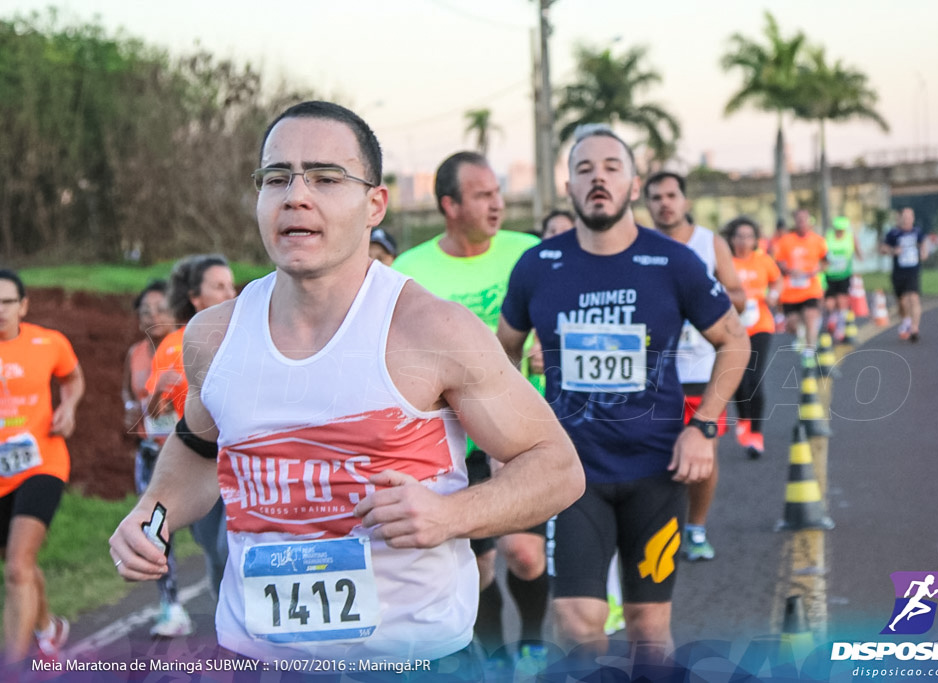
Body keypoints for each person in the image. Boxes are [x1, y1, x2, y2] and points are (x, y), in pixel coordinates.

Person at [109, 101, 583, 671]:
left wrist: (449, 516)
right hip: (259, 654)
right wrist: (152, 513)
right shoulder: (213, 335)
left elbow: (557, 467)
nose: (296, 195)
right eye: (276, 177)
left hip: (411, 659)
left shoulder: (433, 329)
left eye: (327, 178)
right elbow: (197, 447)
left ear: (373, 204)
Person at [497, 124, 749, 656]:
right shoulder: (538, 266)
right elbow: (501, 357)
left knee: (647, 628)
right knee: (576, 622)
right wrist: (508, 441)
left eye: (612, 168)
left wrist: (703, 428)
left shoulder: (674, 262)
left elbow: (735, 340)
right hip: (573, 476)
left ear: (634, 186)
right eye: (584, 169)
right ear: (567, 186)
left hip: (656, 475)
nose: (598, 179)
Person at [392, 151, 548, 665]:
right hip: (450, 442)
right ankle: (498, 659)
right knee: (474, 571)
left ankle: (531, 641)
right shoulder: (411, 271)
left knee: (524, 556)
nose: (497, 204)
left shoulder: (529, 254)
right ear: (450, 205)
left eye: (498, 193)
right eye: (483, 195)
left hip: (519, 431)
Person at [642, 171, 745, 562]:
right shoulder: (638, 244)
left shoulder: (709, 242)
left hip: (701, 369)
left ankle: (695, 527)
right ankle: (654, 531)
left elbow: (740, 296)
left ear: (685, 202)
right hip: (651, 371)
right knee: (652, 456)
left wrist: (699, 296)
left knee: (703, 455)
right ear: (646, 203)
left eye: (671, 195)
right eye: (656, 197)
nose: (664, 203)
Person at [0, 269, 84, 665]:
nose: (0, 311)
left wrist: (68, 406)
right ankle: (49, 630)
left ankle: (11, 668)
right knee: (22, 564)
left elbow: (72, 377)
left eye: (7, 302)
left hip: (42, 463)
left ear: (23, 305)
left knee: (16, 567)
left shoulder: (48, 343)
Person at [146, 255, 236, 600]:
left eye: (231, 284)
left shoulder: (252, 336)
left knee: (230, 547)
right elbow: (156, 416)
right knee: (212, 552)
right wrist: (157, 392)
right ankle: (224, 628)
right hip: (200, 462)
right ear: (196, 298)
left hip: (244, 460)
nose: (230, 292)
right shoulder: (173, 346)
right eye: (219, 286)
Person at [122, 280, 193, 637]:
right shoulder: (135, 353)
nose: (152, 315)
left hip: (192, 454)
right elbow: (128, 403)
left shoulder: (189, 346)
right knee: (156, 532)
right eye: (145, 310)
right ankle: (171, 607)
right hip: (151, 454)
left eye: (160, 307)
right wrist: (134, 413)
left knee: (209, 532)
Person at [722, 216, 782, 458]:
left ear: (755, 239)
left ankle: (756, 434)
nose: (744, 241)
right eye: (739, 236)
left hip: (760, 325)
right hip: (733, 328)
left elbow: (777, 280)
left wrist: (775, 294)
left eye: (749, 236)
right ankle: (744, 418)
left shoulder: (763, 260)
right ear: (732, 238)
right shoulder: (725, 262)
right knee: (737, 379)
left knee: (755, 379)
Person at [773, 209, 829, 359]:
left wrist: (816, 270)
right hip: (790, 290)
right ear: (795, 222)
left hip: (810, 288)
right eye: (799, 220)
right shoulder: (785, 241)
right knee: (792, 325)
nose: (802, 223)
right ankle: (802, 334)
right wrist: (790, 270)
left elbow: (825, 262)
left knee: (810, 315)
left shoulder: (818, 241)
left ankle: (810, 350)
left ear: (809, 221)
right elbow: (778, 262)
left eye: (805, 219)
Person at [880, 207, 929, 342]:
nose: (908, 220)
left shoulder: (917, 232)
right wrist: (892, 250)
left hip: (913, 270)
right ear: (900, 218)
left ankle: (914, 328)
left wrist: (924, 252)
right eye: (905, 217)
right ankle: (906, 320)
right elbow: (883, 248)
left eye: (910, 217)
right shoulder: (893, 233)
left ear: (913, 218)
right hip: (898, 272)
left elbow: (924, 242)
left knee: (914, 297)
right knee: (901, 301)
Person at [823, 215, 863, 343]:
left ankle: (839, 328)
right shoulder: (828, 237)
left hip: (844, 274)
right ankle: (833, 318)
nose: (840, 232)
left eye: (842, 229)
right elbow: (821, 253)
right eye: (838, 229)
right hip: (829, 275)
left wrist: (860, 257)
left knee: (842, 301)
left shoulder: (850, 237)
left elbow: (857, 251)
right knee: (829, 303)